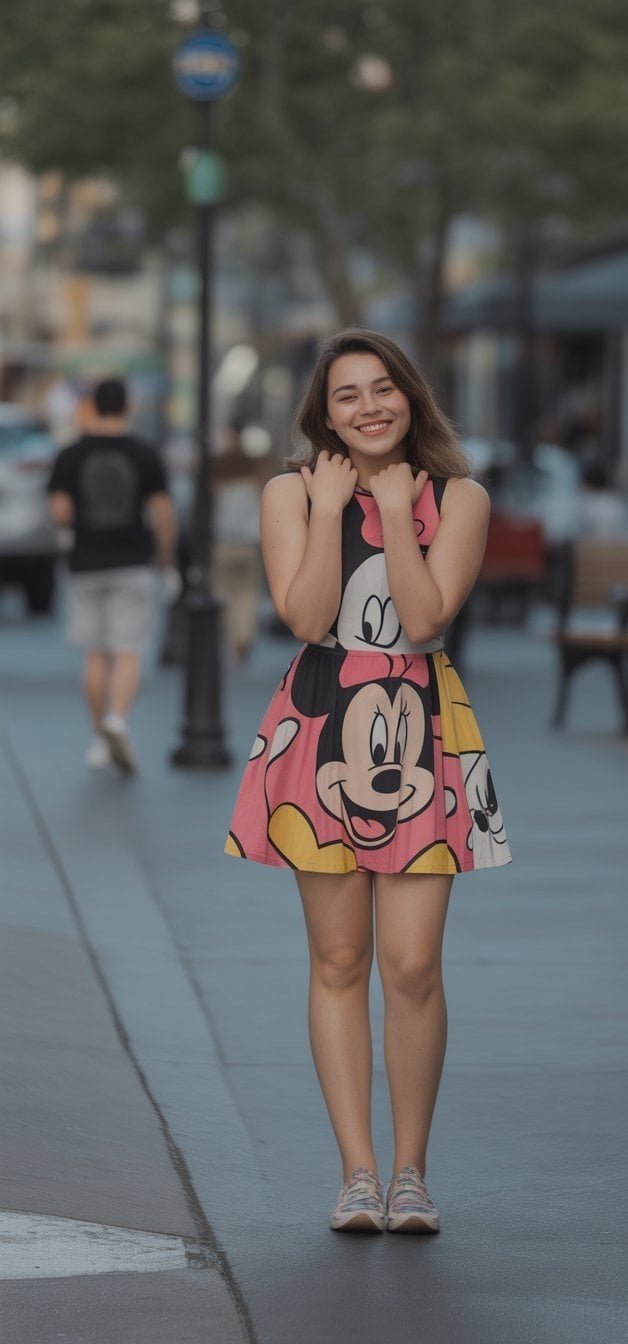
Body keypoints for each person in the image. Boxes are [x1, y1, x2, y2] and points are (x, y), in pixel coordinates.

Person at [225, 329, 511, 1235]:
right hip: (321, 728)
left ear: (411, 396)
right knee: (339, 960)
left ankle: (411, 1174)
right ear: (325, 412)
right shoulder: (289, 491)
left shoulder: (459, 497)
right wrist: (327, 510)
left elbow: (423, 621)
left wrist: (391, 513)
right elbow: (308, 617)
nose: (368, 407)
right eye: (347, 394)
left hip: (422, 730)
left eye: (383, 388)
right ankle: (357, 1173)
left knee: (413, 964)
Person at [47, 377, 178, 774]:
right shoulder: (145, 453)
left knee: (95, 653)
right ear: (127, 407)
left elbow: (60, 512)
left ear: (93, 406)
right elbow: (163, 514)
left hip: (85, 563)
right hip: (133, 562)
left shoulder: (70, 454)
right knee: (127, 650)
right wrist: (165, 561)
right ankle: (117, 721)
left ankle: (99, 740)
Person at [211, 423, 273, 662]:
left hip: (223, 543)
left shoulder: (219, 475)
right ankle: (243, 637)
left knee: (224, 593)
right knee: (247, 593)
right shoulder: (257, 476)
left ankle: (232, 638)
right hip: (249, 545)